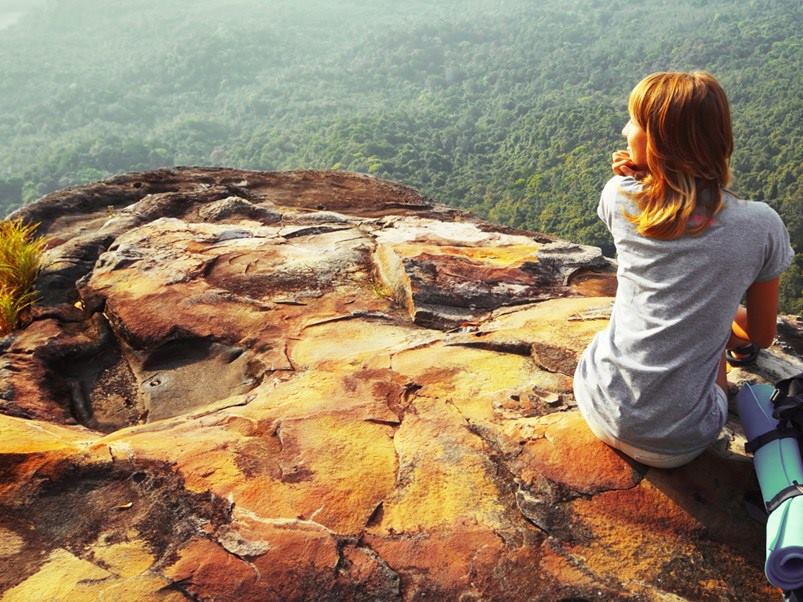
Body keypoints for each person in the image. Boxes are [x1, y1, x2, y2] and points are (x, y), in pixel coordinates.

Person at [573, 71, 794, 468]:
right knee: (713, 355)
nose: (625, 131)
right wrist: (720, 319)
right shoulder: (761, 225)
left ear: (659, 143)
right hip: (678, 442)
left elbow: (668, 237)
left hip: (599, 404)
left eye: (636, 123)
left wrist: (640, 176)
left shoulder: (619, 196)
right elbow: (762, 334)